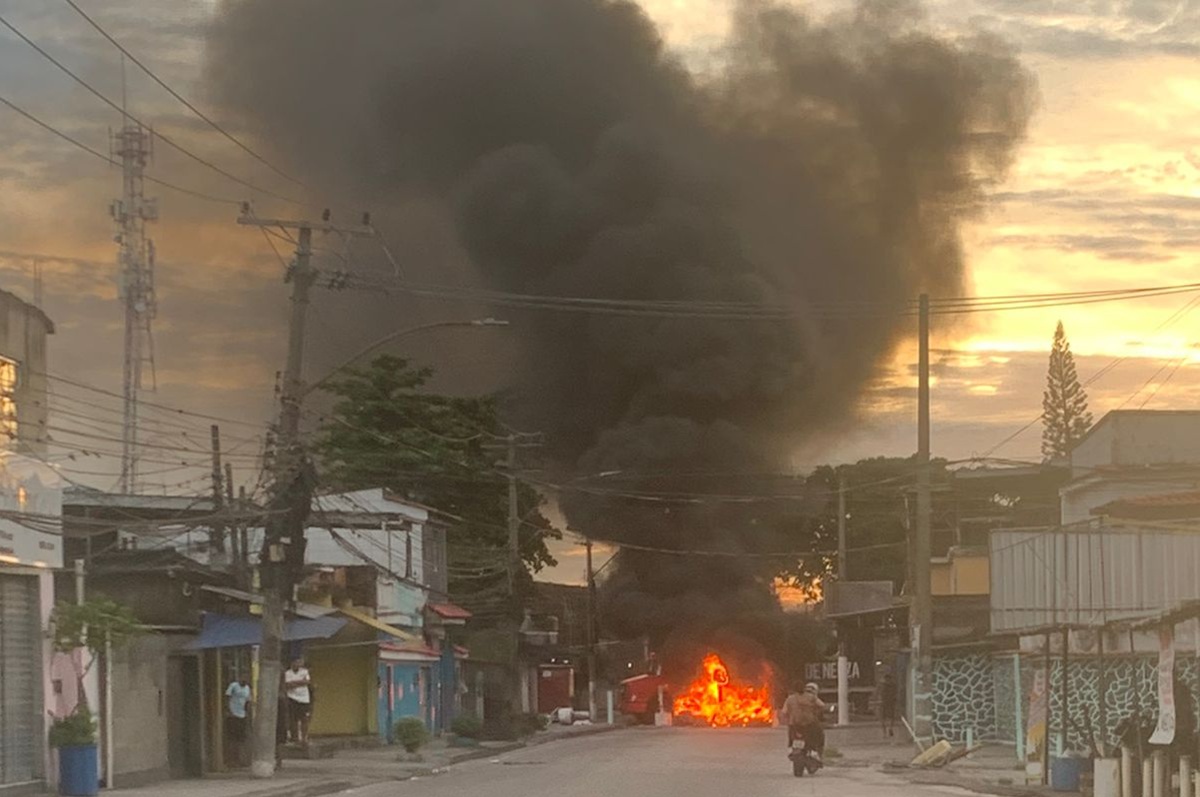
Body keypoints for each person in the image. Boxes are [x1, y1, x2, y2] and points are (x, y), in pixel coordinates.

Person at [781, 682, 828, 759]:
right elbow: (822, 706)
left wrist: (788, 719)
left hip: (794, 725)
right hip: (809, 724)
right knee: (820, 735)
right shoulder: (811, 697)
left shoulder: (789, 699)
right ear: (804, 688)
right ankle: (816, 752)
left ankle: (790, 747)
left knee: (791, 733)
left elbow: (784, 712)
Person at [284, 657, 313, 745]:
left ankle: (304, 738)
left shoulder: (304, 671)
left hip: (304, 699)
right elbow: (288, 685)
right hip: (292, 698)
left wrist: (295, 683)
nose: (297, 664)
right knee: (293, 720)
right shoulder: (287, 673)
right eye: (295, 662)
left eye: (298, 662)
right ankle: (295, 738)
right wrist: (300, 682)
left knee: (304, 719)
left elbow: (307, 682)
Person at [224, 676, 252, 766]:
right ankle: (231, 760)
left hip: (242, 715)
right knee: (232, 738)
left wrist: (247, 713)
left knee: (241, 738)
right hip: (233, 714)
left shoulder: (247, 688)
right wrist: (228, 710)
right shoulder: (233, 686)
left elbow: (248, 701)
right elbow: (227, 697)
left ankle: (240, 759)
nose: (245, 680)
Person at [876, 671, 897, 738]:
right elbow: (895, 694)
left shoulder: (881, 685)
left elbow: (877, 693)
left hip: (883, 703)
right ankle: (890, 728)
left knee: (882, 719)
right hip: (890, 703)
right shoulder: (893, 685)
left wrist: (878, 700)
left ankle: (884, 733)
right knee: (891, 717)